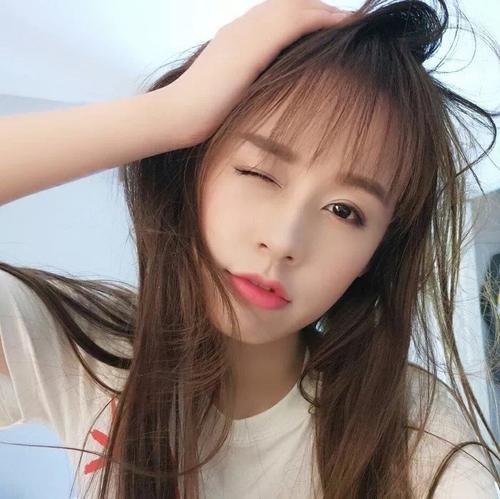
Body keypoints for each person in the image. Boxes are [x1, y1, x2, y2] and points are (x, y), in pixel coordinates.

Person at [0, 0, 499, 497]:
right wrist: (169, 113)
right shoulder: (87, 351)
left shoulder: (411, 427)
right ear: (193, 169)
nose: (283, 242)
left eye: (344, 211)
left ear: (374, 255)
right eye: (259, 172)